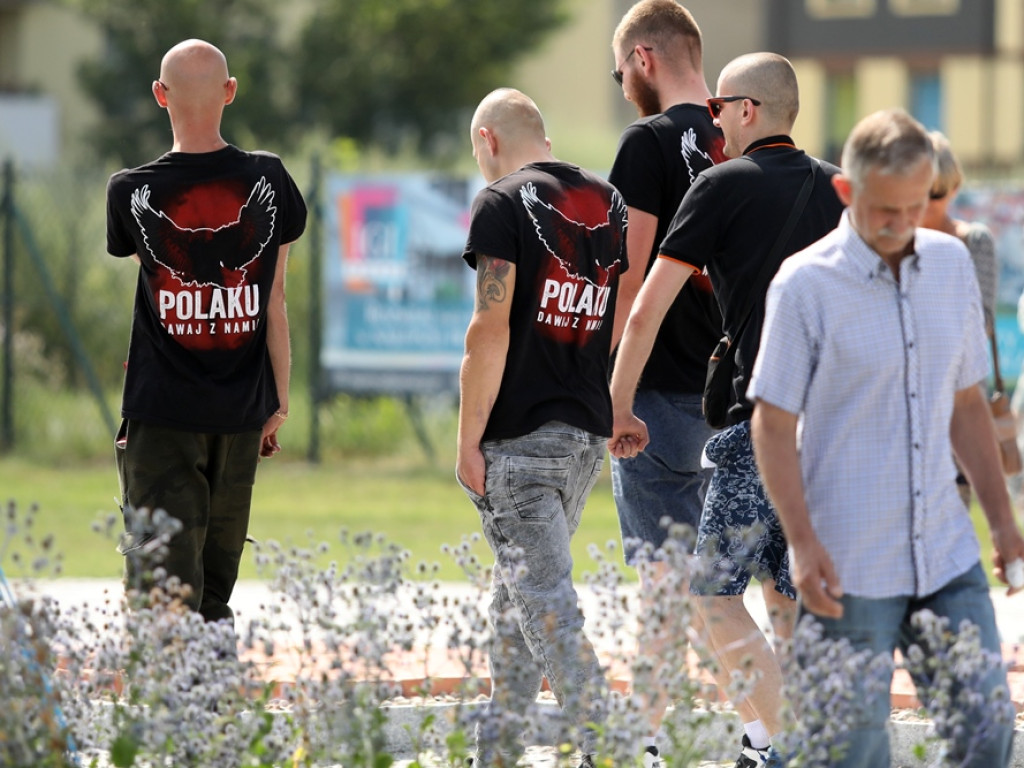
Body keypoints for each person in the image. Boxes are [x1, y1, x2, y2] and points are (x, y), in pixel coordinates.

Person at [748, 108, 1024, 767]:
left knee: (988, 739)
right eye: (885, 211)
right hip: (847, 567)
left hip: (946, 555)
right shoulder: (804, 284)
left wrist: (1004, 524)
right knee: (850, 756)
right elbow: (772, 423)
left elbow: (965, 404)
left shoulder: (953, 264)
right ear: (848, 192)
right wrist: (803, 545)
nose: (903, 226)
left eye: (916, 206)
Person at [608, 52, 844, 767]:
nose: (713, 122)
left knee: (709, 594)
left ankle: (799, 748)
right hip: (833, 428)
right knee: (790, 593)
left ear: (747, 110)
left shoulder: (719, 186)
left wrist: (618, 403)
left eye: (719, 109)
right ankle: (792, 742)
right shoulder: (843, 187)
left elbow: (648, 309)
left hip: (759, 424)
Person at [105, 39, 307, 624]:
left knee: (160, 587)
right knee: (213, 590)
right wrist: (279, 399)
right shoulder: (269, 176)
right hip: (242, 411)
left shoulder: (130, 190)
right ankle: (211, 706)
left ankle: (166, 710)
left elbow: (152, 271)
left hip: (162, 413)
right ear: (230, 92)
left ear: (158, 96)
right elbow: (275, 302)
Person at [456, 88, 628, 768]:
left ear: (488, 139)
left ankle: (607, 746)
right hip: (584, 433)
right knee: (516, 604)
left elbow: (488, 331)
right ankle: (494, 753)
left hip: (522, 439)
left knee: (549, 609)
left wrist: (468, 439)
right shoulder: (606, 201)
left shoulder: (500, 204)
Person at [606, 3, 726, 764]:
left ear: (644, 58)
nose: (621, 88)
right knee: (732, 585)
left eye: (619, 73)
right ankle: (766, 728)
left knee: (659, 577)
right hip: (741, 394)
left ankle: (647, 742)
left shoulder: (646, 143)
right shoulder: (750, 130)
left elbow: (630, 273)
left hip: (655, 395)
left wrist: (606, 382)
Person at [919, 130, 999, 506]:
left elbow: (979, 324)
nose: (926, 204)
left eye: (935, 193)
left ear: (953, 190)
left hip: (956, 408)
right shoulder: (890, 243)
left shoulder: (973, 241)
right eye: (919, 191)